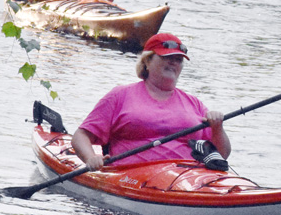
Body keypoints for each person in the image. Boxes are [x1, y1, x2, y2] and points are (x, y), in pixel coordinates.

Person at [71, 32, 231, 171]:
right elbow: (80, 136)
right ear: (147, 61)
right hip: (131, 176)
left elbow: (222, 153)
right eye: (167, 57)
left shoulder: (194, 103)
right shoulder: (120, 95)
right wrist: (90, 158)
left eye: (179, 59)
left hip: (188, 177)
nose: (174, 63)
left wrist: (217, 127)